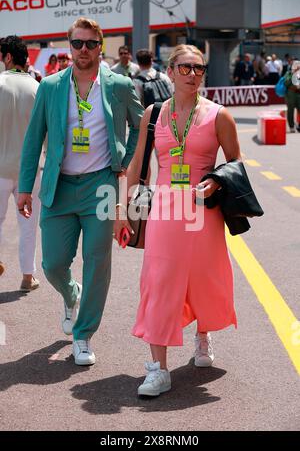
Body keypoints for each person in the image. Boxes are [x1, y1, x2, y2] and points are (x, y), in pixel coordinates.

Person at [114, 44, 241, 397]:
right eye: (184, 68)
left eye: (198, 69)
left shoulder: (219, 116)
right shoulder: (153, 114)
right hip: (165, 211)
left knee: (204, 277)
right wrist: (122, 213)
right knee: (159, 281)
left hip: (205, 212)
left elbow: (236, 164)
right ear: (169, 72)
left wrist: (217, 180)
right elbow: (139, 165)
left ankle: (202, 335)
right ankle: (158, 369)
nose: (192, 75)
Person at [17, 18, 144, 366]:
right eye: (77, 44)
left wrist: (124, 158)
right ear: (68, 46)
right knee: (53, 263)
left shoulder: (118, 85)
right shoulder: (51, 86)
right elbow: (33, 140)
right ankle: (71, 295)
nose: (83, 50)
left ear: (100, 46)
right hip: (59, 185)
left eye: (90, 44)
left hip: (100, 185)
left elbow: (140, 123)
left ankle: (83, 334)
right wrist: (25, 187)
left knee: (97, 261)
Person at [0, 35, 40, 290]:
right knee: (28, 224)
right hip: (30, 170)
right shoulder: (38, 87)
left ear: (8, 57)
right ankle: (28, 276)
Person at [284, 60, 300, 133]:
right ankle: (291, 126)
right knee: (291, 111)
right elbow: (286, 83)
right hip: (291, 94)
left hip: (299, 94)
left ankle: (299, 126)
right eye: (296, 65)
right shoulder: (289, 73)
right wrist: (293, 74)